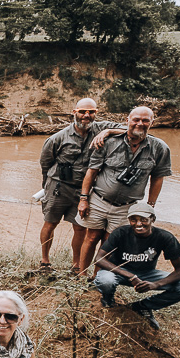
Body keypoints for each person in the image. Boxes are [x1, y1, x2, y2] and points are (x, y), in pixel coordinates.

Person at [77, 106, 171, 276]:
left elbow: (158, 177)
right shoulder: (108, 141)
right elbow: (92, 171)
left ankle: (97, 277)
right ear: (127, 120)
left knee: (109, 243)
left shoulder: (160, 148)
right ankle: (81, 275)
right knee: (91, 238)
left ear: (152, 123)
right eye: (136, 119)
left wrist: (150, 206)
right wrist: (84, 198)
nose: (140, 124)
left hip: (127, 207)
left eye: (145, 120)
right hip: (98, 199)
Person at [38, 98, 123, 272]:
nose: (87, 115)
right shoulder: (57, 138)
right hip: (58, 187)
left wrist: (107, 132)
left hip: (83, 190)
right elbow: (45, 164)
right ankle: (45, 261)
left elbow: (131, 129)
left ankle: (76, 265)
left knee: (80, 228)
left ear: (96, 113)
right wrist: (47, 187)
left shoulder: (100, 128)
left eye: (91, 112)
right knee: (50, 223)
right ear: (74, 112)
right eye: (83, 111)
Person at [93, 202, 180, 329]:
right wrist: (130, 276)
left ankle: (142, 307)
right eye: (133, 220)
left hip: (147, 274)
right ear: (129, 220)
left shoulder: (165, 237)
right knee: (106, 280)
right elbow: (99, 259)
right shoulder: (120, 233)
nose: (138, 224)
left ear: (152, 219)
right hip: (119, 272)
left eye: (143, 220)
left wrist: (156, 284)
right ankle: (108, 299)